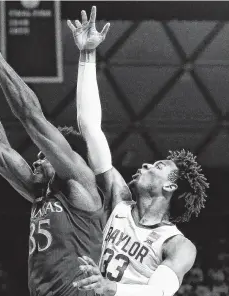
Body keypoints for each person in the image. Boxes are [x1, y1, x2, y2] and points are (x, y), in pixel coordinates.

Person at [67, 6, 209, 296]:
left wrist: (111, 288)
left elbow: (160, 292)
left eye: (157, 166)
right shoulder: (117, 199)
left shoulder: (178, 244)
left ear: (171, 185)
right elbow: (91, 127)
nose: (146, 164)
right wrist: (87, 55)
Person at [0, 44, 106, 296]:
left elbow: (30, 115)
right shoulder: (40, 193)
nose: (36, 162)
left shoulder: (80, 186)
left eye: (44, 157)